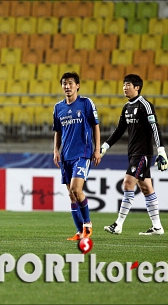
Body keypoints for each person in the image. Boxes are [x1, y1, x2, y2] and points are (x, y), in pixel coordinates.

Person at [102, 74, 168, 236]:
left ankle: (118, 224)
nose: (125, 87)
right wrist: (105, 146)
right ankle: (157, 227)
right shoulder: (126, 108)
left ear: (137, 87)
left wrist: (161, 151)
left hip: (143, 153)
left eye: (128, 84)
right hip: (133, 153)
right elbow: (119, 130)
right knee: (146, 188)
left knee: (128, 182)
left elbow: (155, 128)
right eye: (124, 84)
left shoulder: (145, 105)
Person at [52, 72, 101, 241]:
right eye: (64, 83)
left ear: (77, 85)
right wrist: (56, 150)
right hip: (66, 155)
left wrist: (97, 149)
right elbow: (58, 131)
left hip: (82, 153)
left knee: (76, 190)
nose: (67, 86)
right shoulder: (58, 107)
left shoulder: (86, 103)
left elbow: (95, 126)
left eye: (70, 83)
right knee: (71, 195)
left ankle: (87, 225)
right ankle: (80, 232)